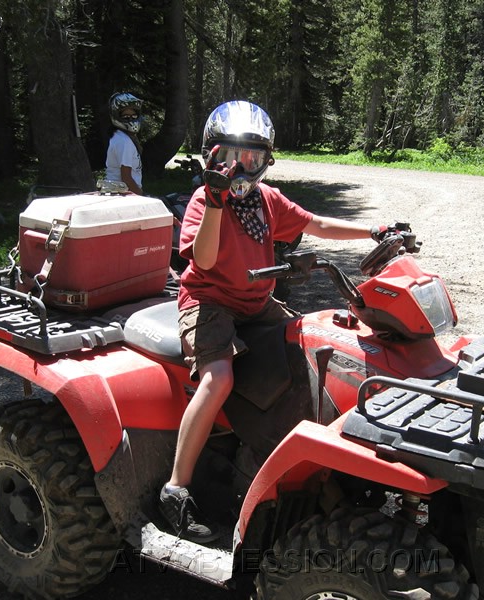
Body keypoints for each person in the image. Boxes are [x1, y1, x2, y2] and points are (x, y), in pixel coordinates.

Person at [158, 100, 391, 542]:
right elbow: (203, 261)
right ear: (212, 157)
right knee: (218, 379)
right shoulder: (203, 201)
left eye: (252, 159)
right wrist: (213, 199)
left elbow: (316, 223)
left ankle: (316, 462)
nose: (240, 169)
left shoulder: (267, 201)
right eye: (229, 157)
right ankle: (176, 488)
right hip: (207, 303)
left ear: (267, 162)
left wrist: (373, 231)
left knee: (310, 347)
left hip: (255, 302)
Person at [105, 92, 144, 195]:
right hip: (123, 196)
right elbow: (126, 179)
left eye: (134, 115)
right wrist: (142, 197)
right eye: (126, 116)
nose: (130, 119)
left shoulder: (119, 137)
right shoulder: (124, 141)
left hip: (119, 194)